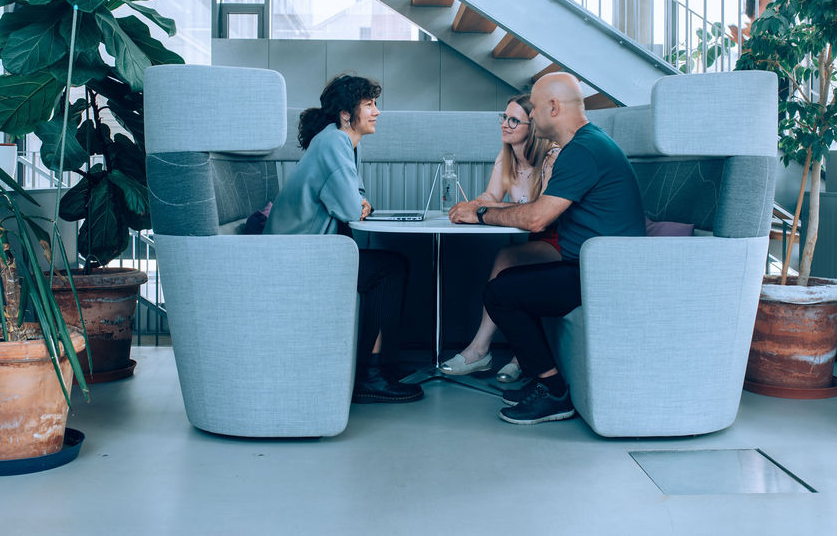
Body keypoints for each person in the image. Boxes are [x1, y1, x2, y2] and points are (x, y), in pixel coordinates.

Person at [449, 72, 645, 424]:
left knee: (500, 294)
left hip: (604, 275)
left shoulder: (583, 150)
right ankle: (540, 379)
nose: (533, 116)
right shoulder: (585, 145)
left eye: (535, 109)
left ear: (553, 108)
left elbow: (537, 218)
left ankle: (553, 392)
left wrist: (480, 214)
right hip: (591, 265)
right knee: (508, 282)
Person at [265, 74, 424, 404]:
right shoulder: (333, 142)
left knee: (392, 264)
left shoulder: (345, 142)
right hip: (294, 258)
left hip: (309, 251)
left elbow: (357, 195)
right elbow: (353, 206)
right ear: (346, 114)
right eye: (369, 105)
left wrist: (360, 203)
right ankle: (370, 375)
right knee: (389, 269)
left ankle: (380, 366)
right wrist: (359, 203)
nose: (376, 111)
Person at [437, 94, 561, 383]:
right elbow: (490, 197)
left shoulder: (551, 157)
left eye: (514, 120)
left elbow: (541, 212)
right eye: (504, 118)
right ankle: (517, 355)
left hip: (559, 240)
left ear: (533, 127)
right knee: (513, 269)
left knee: (507, 256)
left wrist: (482, 209)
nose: (505, 124)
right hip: (534, 241)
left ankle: (480, 350)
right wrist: (469, 207)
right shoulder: (506, 157)